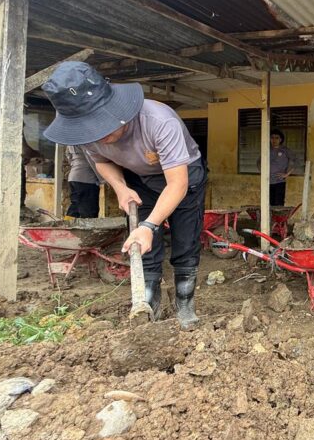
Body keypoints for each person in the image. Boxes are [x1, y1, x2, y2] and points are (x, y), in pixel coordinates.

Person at [42, 61, 206, 329]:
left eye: (101, 126)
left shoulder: (159, 121)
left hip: (184, 177)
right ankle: (148, 303)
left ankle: (185, 302)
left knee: (185, 242)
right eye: (88, 129)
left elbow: (177, 184)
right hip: (138, 179)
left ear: (118, 111)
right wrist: (120, 188)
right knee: (142, 244)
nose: (97, 136)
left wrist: (150, 225)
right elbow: (101, 161)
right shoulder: (89, 136)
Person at [257, 129, 292, 206]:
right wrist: (262, 172)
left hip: (279, 182)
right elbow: (259, 162)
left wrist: (287, 174)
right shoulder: (266, 150)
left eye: (276, 138)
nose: (274, 140)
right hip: (267, 181)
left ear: (280, 139)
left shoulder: (285, 150)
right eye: (272, 137)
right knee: (268, 204)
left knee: (278, 204)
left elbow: (296, 162)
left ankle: (278, 214)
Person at [65, 145, 100, 218]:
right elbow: (93, 161)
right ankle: (88, 225)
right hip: (86, 178)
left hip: (73, 176)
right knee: (89, 209)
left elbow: (68, 156)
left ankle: (67, 223)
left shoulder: (70, 143)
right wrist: (103, 178)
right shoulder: (86, 142)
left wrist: (75, 164)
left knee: (75, 205)